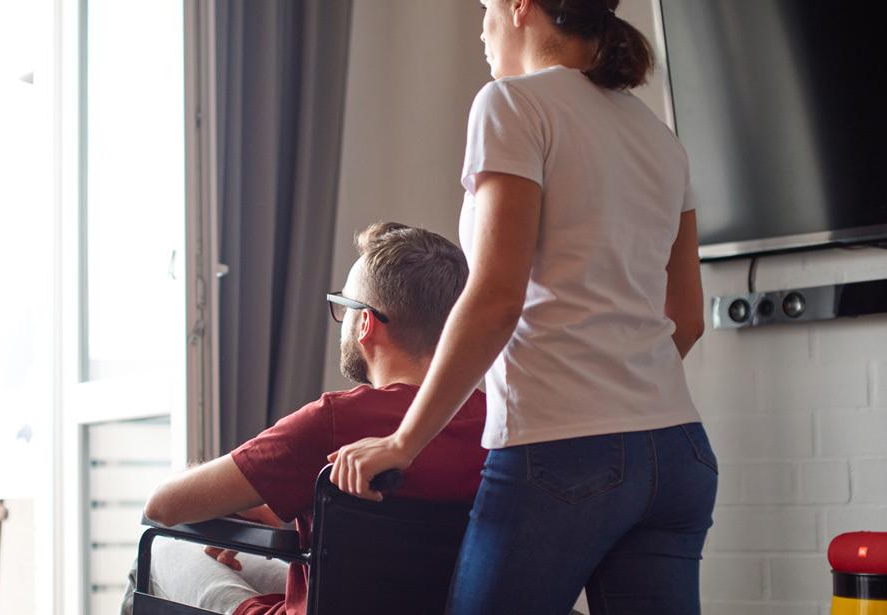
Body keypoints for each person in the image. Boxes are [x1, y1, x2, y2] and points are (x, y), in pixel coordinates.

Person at [328, 1, 716, 614]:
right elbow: (688, 315)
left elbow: (495, 296)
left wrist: (403, 442)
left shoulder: (512, 104)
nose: (480, 26)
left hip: (561, 449)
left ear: (519, 6)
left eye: (484, 7)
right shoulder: (660, 139)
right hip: (677, 454)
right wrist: (622, 386)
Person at [123, 222, 488, 615]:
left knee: (162, 544)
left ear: (365, 323)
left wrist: (234, 500)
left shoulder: (335, 420)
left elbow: (162, 505)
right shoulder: (494, 426)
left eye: (344, 306)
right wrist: (286, 513)